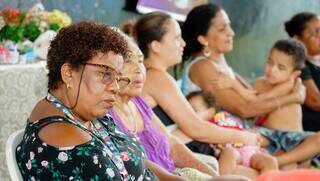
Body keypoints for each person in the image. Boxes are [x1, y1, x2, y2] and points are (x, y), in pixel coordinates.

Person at [15, 21, 158, 180]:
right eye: (105, 74)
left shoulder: (85, 115)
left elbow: (137, 162)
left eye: (118, 78)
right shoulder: (67, 139)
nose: (116, 88)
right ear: (68, 73)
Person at [130, 11, 261, 158]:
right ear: (156, 46)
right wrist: (243, 136)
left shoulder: (152, 75)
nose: (183, 43)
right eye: (176, 38)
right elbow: (196, 129)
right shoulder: (157, 78)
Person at [181, 3, 305, 119]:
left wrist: (287, 86)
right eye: (222, 29)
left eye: (229, 26)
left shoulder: (221, 66)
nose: (232, 32)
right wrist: (294, 97)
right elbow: (245, 110)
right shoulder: (203, 67)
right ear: (203, 39)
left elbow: (253, 96)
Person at [186, 91, 278, 179]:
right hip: (234, 153)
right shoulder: (203, 127)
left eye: (194, 110)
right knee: (229, 152)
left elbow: (238, 127)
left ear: (211, 111)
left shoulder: (224, 115)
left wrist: (250, 133)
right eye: (187, 110)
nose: (189, 114)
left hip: (251, 151)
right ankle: (222, 179)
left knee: (271, 161)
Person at [284, 12, 320, 132]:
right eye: (315, 33)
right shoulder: (294, 68)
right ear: (299, 40)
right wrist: (299, 56)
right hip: (311, 135)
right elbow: (315, 102)